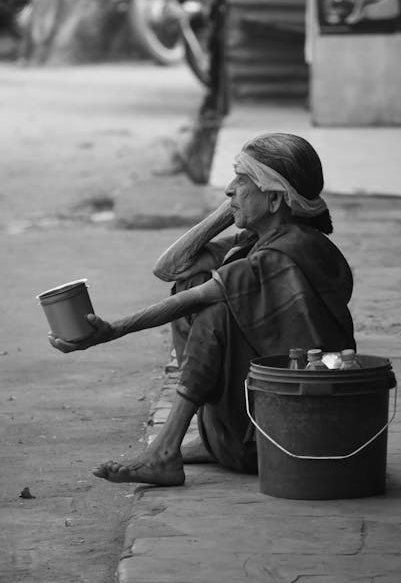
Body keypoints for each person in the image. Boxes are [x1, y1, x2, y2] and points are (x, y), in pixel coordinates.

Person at [49, 133, 355, 486]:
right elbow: (171, 268)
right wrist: (236, 206)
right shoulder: (263, 238)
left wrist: (110, 331)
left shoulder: (283, 254)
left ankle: (165, 451)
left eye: (241, 180)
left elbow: (196, 301)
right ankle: (214, 438)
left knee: (215, 309)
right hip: (264, 427)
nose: (228, 188)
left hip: (284, 437)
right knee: (190, 283)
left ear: (274, 199)